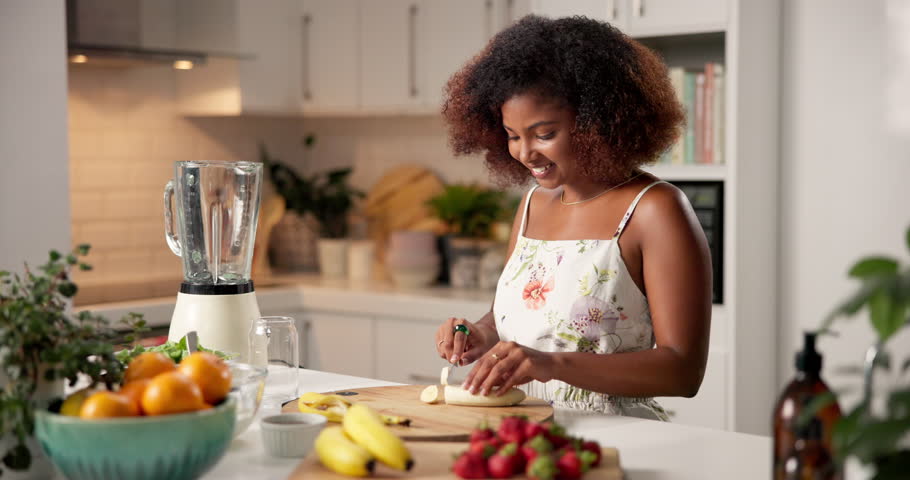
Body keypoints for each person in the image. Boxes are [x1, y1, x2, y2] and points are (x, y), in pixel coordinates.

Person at [434, 15, 712, 420]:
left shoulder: (655, 209)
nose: (525, 153)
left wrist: (552, 365)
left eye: (544, 134)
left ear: (596, 122)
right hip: (523, 428)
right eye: (513, 135)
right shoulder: (532, 205)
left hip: (617, 434)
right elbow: (520, 319)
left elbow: (683, 371)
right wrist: (479, 333)